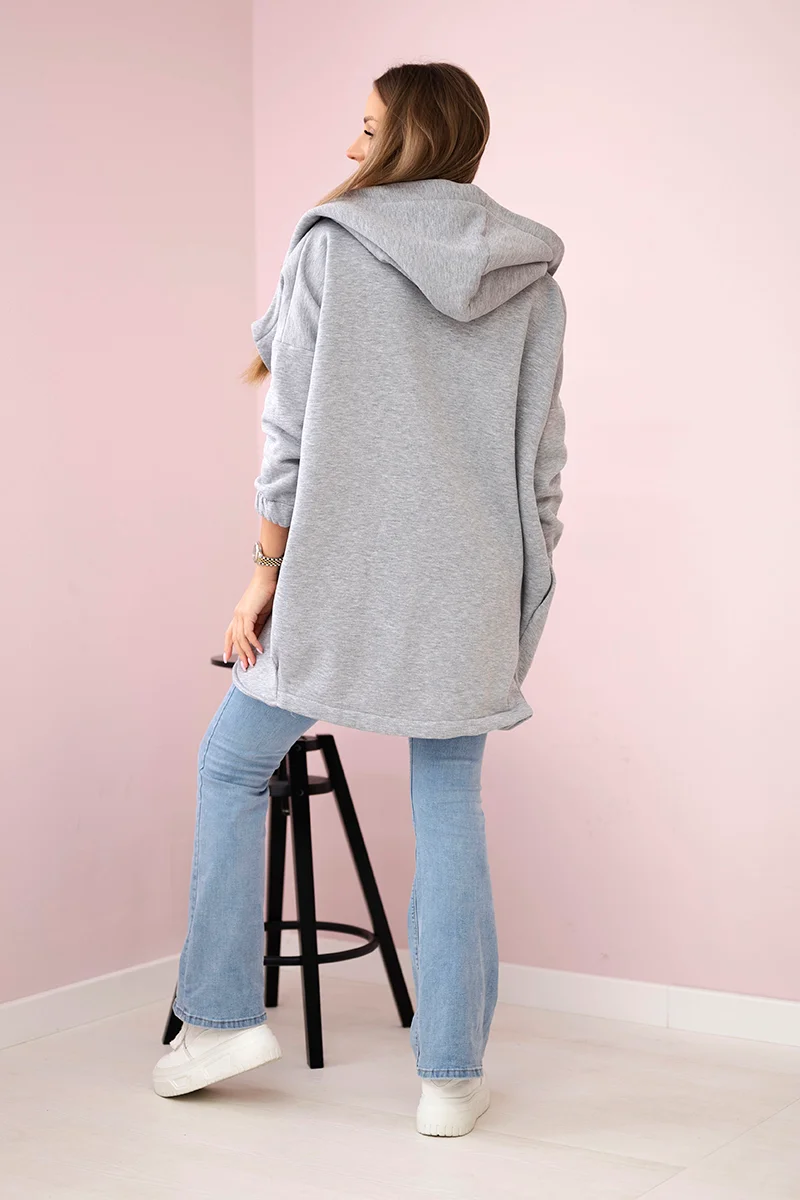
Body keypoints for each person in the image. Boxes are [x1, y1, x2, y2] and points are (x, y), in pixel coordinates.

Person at [152, 61, 567, 1138]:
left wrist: (263, 574)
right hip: (473, 583)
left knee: (233, 764)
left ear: (412, 136)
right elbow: (541, 471)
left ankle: (221, 1018)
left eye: (369, 126)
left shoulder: (333, 247)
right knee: (449, 801)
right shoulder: (532, 279)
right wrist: (519, 597)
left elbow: (287, 434)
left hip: (340, 572)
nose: (351, 147)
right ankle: (450, 1077)